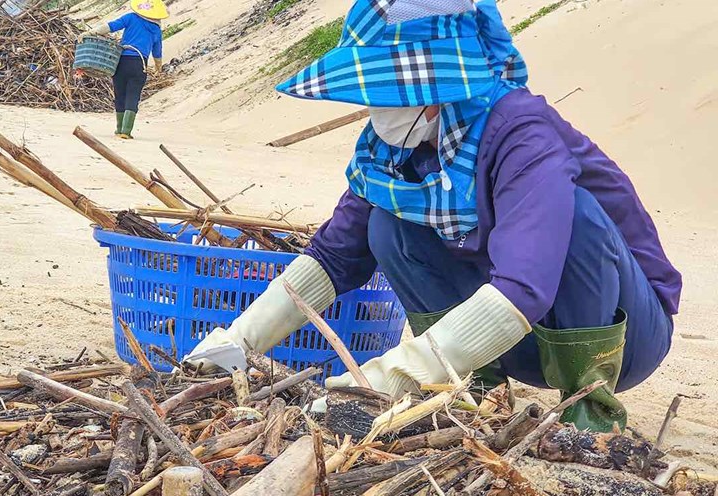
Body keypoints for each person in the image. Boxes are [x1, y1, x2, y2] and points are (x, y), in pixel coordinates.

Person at [190, 0, 682, 432]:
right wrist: (238, 345)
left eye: (391, 94)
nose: (377, 109)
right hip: (512, 343)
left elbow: (524, 284)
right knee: (387, 224)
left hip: (623, 336)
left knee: (574, 215)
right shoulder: (396, 151)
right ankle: (469, 392)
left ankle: (589, 412)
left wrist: (389, 377)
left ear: (435, 91)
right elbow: (334, 254)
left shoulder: (522, 135)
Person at [79, 0, 167, 139]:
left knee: (120, 94)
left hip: (121, 61)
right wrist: (158, 69)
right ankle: (126, 132)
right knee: (133, 96)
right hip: (139, 64)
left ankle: (119, 129)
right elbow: (157, 52)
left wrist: (90, 32)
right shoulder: (156, 29)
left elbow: (111, 26)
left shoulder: (131, 17)